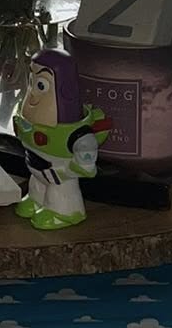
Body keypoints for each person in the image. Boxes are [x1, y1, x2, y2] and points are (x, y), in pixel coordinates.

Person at [13, 47, 110, 230]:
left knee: (60, 190)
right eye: (32, 82)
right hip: (37, 167)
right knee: (37, 184)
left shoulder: (74, 130)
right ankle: (37, 200)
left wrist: (83, 161)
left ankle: (65, 212)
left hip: (60, 175)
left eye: (41, 86)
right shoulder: (30, 114)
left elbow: (86, 147)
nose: (33, 92)